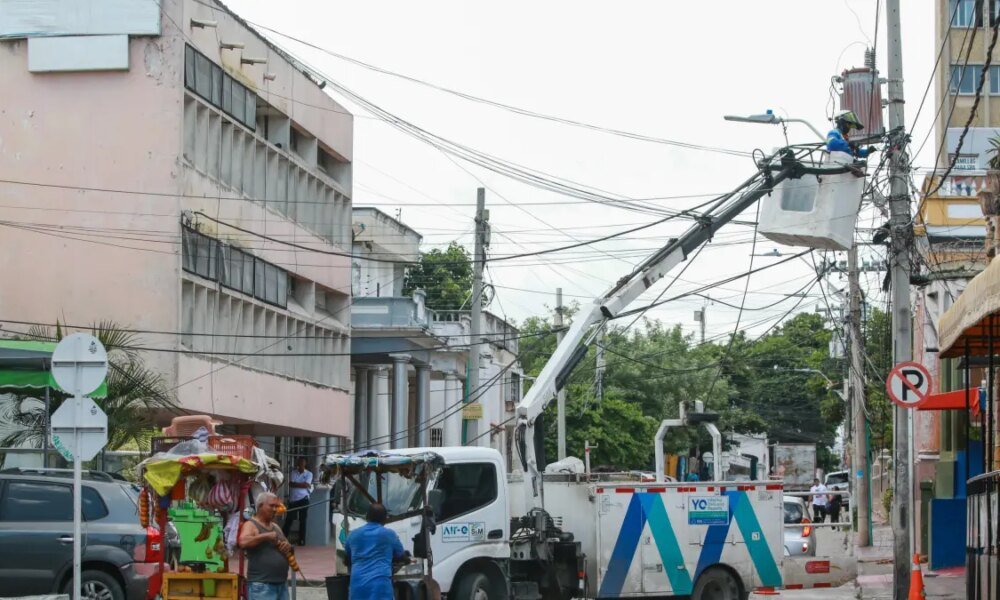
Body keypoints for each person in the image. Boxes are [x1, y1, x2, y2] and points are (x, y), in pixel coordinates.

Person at [344, 503, 409, 600]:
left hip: (357, 586)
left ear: (366, 516)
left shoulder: (352, 535)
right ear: (385, 519)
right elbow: (403, 557)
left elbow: (347, 560)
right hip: (380, 587)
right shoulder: (389, 535)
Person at [240, 492, 291, 600]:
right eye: (271, 505)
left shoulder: (275, 526)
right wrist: (265, 536)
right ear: (260, 506)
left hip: (281, 584)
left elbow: (289, 547)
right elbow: (243, 542)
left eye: (276, 506)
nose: (274, 509)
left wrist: (287, 546)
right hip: (262, 586)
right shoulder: (251, 525)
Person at [283, 457, 313, 545]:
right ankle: (283, 538)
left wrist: (298, 484)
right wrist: (302, 484)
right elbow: (291, 484)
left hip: (304, 499)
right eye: (299, 462)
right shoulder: (293, 472)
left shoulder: (309, 474)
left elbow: (307, 485)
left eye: (302, 462)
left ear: (305, 463)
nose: (300, 464)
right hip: (293, 500)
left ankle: (301, 541)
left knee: (303, 521)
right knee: (289, 519)